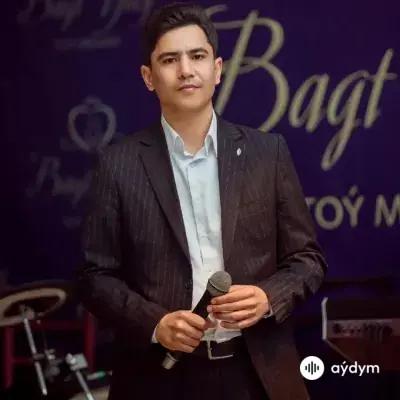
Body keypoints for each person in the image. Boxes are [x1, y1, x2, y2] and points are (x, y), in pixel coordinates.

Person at [78, 3, 327, 399]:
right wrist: (155, 323)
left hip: (257, 372)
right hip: (159, 376)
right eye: (169, 60)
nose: (186, 70)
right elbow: (95, 277)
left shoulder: (267, 152)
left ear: (218, 68)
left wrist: (267, 297)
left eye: (197, 56)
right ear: (148, 77)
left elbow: (307, 259)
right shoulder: (118, 164)